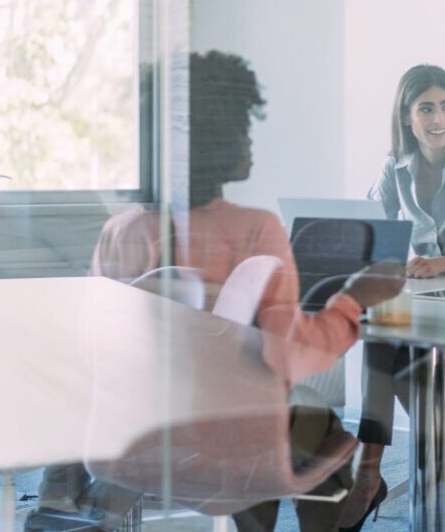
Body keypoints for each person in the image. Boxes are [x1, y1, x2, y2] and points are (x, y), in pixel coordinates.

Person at [33, 51, 405, 532]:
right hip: (234, 445)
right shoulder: (255, 231)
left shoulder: (119, 232)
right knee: (307, 419)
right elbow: (290, 357)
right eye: (242, 125)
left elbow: (93, 349)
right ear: (217, 137)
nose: (250, 138)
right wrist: (355, 299)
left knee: (272, 413)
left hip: (136, 440)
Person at [339, 64, 445, 530]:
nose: (440, 119)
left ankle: (368, 476)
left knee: (390, 347)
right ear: (407, 117)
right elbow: (372, 227)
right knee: (382, 335)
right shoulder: (394, 167)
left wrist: (443, 263)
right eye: (427, 108)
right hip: (425, 299)